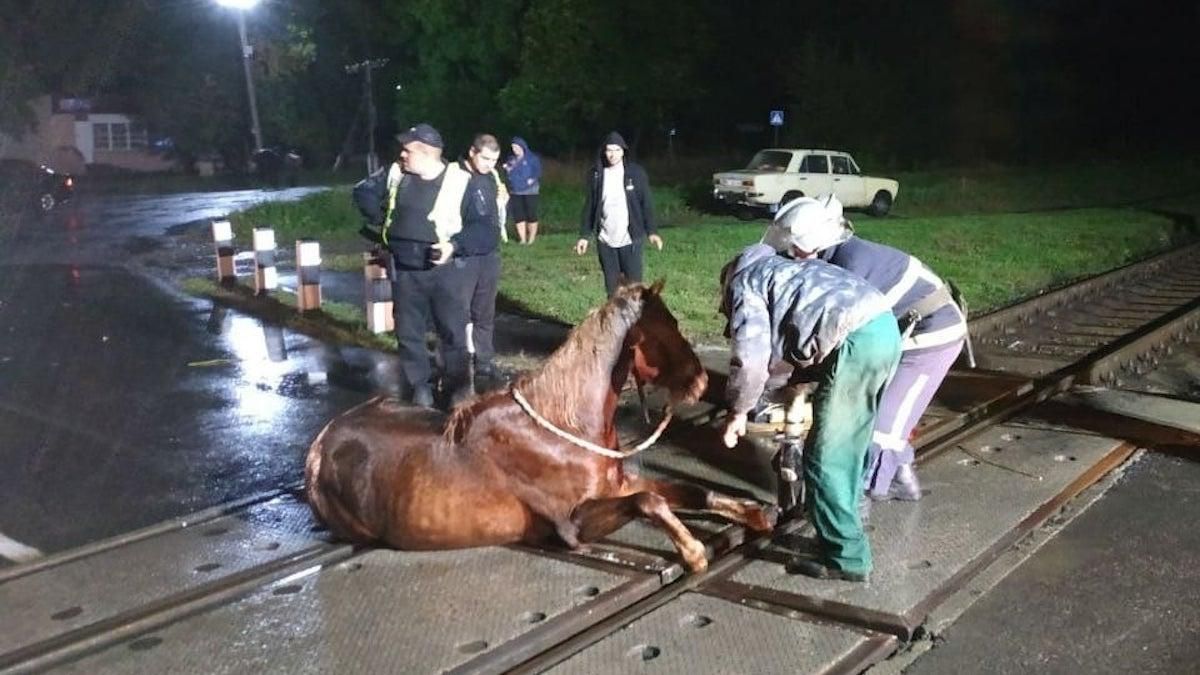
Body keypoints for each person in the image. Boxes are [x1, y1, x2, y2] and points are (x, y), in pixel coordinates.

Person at [762, 195, 967, 502]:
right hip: (898, 333)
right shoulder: (833, 257)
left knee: (878, 431)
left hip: (930, 335)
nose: (789, 256)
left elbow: (832, 335)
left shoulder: (850, 267)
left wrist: (790, 376)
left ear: (813, 244)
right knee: (878, 415)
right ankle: (901, 479)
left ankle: (858, 501)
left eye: (795, 250)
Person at [719, 243, 900, 582]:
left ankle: (846, 560)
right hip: (884, 328)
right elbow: (801, 330)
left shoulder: (745, 284)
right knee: (851, 444)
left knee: (826, 456)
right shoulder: (784, 269)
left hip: (857, 341)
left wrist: (738, 411)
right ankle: (846, 526)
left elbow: (751, 358)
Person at [352, 123, 471, 408]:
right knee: (408, 332)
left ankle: (456, 388)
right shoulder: (396, 173)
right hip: (404, 267)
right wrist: (382, 220)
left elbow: (482, 227)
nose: (402, 155)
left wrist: (455, 246)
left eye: (408, 150)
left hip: (444, 269)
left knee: (452, 331)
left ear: (427, 153)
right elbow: (362, 192)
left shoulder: (460, 180)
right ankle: (421, 388)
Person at [450, 134, 509, 384]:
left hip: (489, 255)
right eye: (485, 159)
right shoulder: (455, 176)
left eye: (494, 160)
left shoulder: (491, 177)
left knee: (484, 313)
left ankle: (484, 362)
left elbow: (495, 215)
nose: (489, 164)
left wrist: (502, 204)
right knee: (458, 313)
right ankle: (456, 366)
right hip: (463, 257)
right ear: (472, 152)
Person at [575, 131, 664, 297]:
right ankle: (616, 314)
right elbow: (590, 206)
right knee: (613, 290)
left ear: (623, 151)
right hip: (606, 240)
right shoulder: (596, 175)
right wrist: (584, 236)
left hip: (630, 239)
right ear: (604, 151)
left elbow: (646, 204)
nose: (612, 154)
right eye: (609, 150)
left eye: (617, 150)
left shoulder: (636, 173)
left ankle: (635, 314)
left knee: (634, 289)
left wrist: (652, 232)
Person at [503, 137, 542, 245]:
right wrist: (507, 169)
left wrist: (532, 179)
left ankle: (531, 239)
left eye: (516, 147)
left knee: (531, 214)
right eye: (513, 147)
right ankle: (522, 239)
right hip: (515, 190)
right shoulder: (511, 159)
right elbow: (509, 173)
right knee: (518, 215)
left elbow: (538, 171)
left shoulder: (532, 158)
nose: (515, 149)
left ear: (522, 147)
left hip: (530, 190)